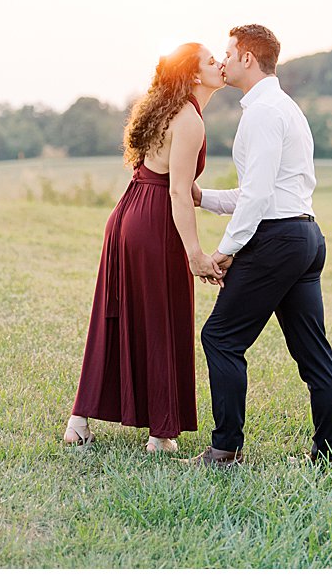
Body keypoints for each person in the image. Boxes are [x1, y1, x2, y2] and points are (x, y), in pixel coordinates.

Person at [183, 24, 332, 467]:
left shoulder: (262, 112)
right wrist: (204, 198)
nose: (225, 60)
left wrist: (225, 251)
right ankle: (325, 456)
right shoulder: (283, 107)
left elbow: (256, 198)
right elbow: (259, 191)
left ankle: (225, 449)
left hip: (277, 241)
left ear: (248, 58)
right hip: (304, 235)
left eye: (229, 53)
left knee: (220, 338)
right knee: (314, 354)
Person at [64, 42, 226, 452]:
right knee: (164, 318)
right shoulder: (189, 120)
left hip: (126, 215)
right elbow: (175, 192)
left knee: (113, 316)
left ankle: (78, 422)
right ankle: (160, 434)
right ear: (193, 75)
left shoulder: (165, 110)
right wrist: (195, 254)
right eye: (211, 61)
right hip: (154, 222)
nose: (220, 64)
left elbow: (177, 182)